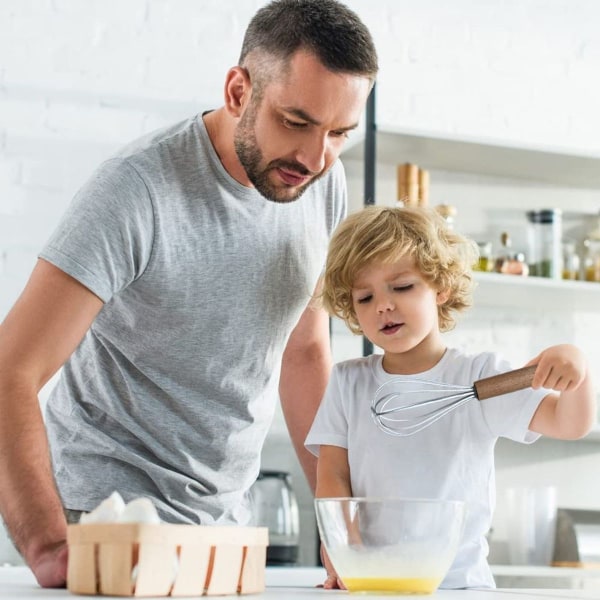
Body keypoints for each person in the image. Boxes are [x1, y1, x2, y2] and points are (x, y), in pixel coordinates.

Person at [0, 0, 378, 588]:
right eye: (296, 122)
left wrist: (339, 524)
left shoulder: (322, 182)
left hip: (224, 532)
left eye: (338, 134)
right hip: (108, 522)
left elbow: (304, 355)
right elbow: (9, 369)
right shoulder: (137, 190)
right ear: (237, 90)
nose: (314, 156)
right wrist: (49, 546)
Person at [305, 205, 596, 589]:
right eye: (364, 297)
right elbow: (334, 476)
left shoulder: (480, 377)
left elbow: (570, 423)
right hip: (373, 582)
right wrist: (346, 550)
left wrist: (578, 370)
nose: (383, 306)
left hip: (460, 585)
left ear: (440, 287)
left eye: (402, 287)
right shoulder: (348, 383)